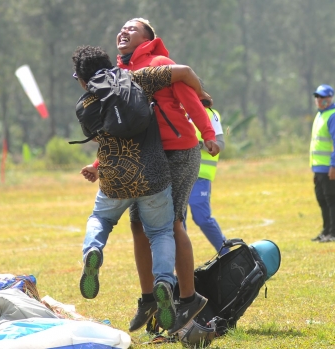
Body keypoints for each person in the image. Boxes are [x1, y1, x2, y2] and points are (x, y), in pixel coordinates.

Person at [80, 18, 219, 335]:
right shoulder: (118, 76)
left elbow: (191, 100)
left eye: (132, 28)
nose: (123, 31)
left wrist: (208, 133)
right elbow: (116, 132)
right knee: (138, 225)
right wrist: (98, 164)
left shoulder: (159, 64)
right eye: (121, 28)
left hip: (179, 151)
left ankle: (185, 296)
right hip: (145, 156)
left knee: (172, 222)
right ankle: (149, 297)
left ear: (148, 38)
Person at [185, 107, 228, 253]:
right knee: (177, 222)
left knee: (201, 217)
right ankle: (175, 268)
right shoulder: (174, 109)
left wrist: (198, 144)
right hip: (177, 174)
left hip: (200, 175)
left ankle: (227, 253)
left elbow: (220, 144)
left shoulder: (211, 114)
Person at [309, 84, 335, 243]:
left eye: (323, 97)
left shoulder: (334, 116)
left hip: (330, 167)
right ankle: (327, 230)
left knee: (331, 198)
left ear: (330, 98)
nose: (319, 100)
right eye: (317, 97)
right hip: (319, 167)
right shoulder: (320, 115)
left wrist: (334, 166)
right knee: (322, 199)